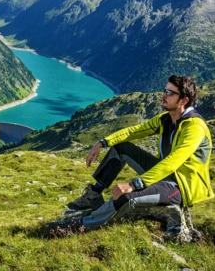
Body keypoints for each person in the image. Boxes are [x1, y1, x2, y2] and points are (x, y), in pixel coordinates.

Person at [46, 75, 213, 236]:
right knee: (121, 148)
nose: (164, 95)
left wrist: (135, 184)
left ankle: (80, 226)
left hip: (181, 187)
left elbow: (173, 162)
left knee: (126, 196)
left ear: (183, 101)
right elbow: (135, 131)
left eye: (170, 93)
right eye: (165, 90)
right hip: (164, 175)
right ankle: (94, 195)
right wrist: (103, 142)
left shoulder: (194, 127)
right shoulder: (166, 119)